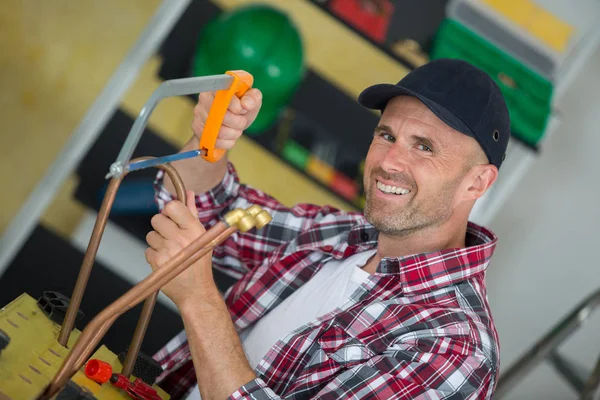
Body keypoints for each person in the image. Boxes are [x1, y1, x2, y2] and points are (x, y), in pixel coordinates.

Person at [144, 58, 510, 400]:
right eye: (386, 136)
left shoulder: (455, 349)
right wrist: (210, 141)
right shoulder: (341, 233)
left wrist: (199, 301)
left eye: (425, 147)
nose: (390, 161)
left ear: (477, 182)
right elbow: (216, 214)